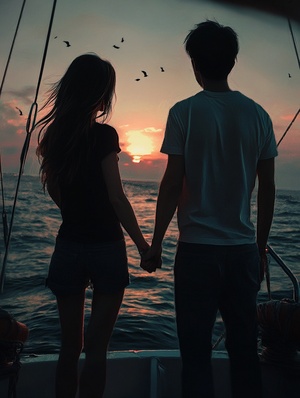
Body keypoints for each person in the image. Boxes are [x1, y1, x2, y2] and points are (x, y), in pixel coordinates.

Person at [141, 20, 277, 398]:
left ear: (194, 64)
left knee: (196, 354)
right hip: (242, 252)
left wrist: (155, 245)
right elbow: (267, 188)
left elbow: (171, 185)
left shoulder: (183, 112)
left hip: (196, 252)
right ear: (233, 62)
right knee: (245, 352)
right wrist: (260, 245)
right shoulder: (259, 115)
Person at [36, 53, 149, 398]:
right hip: (106, 248)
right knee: (96, 349)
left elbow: (55, 189)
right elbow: (117, 198)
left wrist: (75, 212)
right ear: (100, 95)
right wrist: (144, 247)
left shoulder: (53, 136)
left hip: (69, 245)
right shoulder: (104, 136)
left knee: (70, 348)